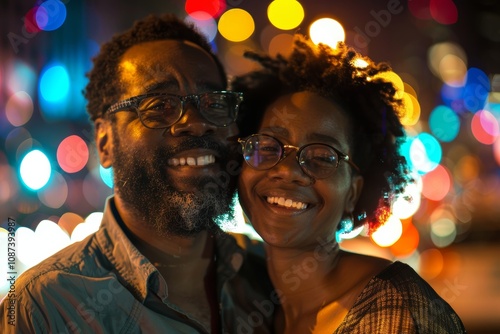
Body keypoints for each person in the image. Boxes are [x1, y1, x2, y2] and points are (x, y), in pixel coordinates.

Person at [0, 14, 275, 333]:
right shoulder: (43, 309)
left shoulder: (272, 275)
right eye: (159, 105)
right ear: (104, 142)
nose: (197, 123)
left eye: (214, 103)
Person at [232, 35, 467, 333]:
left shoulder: (392, 313)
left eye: (321, 156)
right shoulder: (243, 294)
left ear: (353, 193)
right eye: (268, 147)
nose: (288, 170)